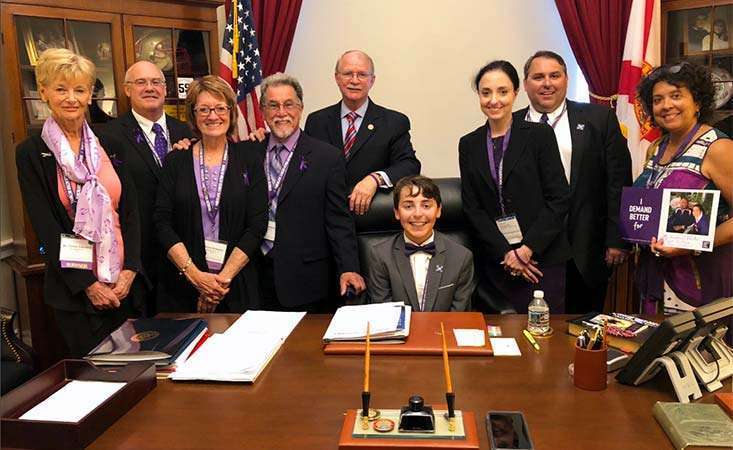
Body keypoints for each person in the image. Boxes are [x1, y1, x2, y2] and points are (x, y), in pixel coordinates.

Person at [16, 48, 143, 356]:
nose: (71, 98)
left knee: (137, 376)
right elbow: (46, 226)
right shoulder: (32, 152)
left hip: (123, 285)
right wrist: (88, 284)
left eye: (79, 89)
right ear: (44, 92)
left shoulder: (110, 144)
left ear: (90, 95)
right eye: (61, 89)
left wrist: (130, 270)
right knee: (97, 378)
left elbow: (129, 212)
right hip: (76, 292)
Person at [519, 51, 632, 314]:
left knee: (583, 326)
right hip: (531, 250)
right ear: (525, 84)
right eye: (538, 77)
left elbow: (618, 180)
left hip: (585, 247)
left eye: (554, 75)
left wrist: (617, 238)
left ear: (566, 79)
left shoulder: (598, 119)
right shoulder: (512, 125)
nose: (547, 83)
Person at [459, 60, 571, 313]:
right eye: (486, 93)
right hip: (498, 262)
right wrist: (507, 254)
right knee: (501, 342)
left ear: (516, 93)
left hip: (542, 260)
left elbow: (559, 199)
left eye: (502, 91)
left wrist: (526, 250)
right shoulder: (469, 144)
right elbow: (473, 208)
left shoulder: (539, 135)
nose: (494, 100)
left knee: (543, 341)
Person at [154, 76, 267, 313]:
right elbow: (162, 223)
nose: (213, 116)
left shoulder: (250, 160)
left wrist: (220, 281)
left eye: (220, 108)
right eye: (203, 109)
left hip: (237, 285)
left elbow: (257, 225)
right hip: (184, 285)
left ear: (231, 112)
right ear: (193, 115)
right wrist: (196, 277)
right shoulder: (176, 161)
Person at [255, 72, 365, 311]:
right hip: (256, 279)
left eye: (289, 104)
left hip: (307, 281)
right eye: (273, 105)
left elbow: (339, 219)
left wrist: (349, 267)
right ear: (262, 110)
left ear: (301, 108)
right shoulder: (248, 154)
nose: (281, 112)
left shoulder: (327, 157)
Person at [634, 61, 732, 314]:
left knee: (696, 352)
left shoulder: (718, 148)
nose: (666, 105)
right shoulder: (656, 148)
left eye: (676, 96)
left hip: (702, 279)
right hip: (657, 277)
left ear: (698, 102)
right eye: (657, 100)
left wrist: (690, 245)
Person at [100, 60, 193, 315]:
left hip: (182, 253)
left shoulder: (185, 130)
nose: (149, 88)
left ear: (165, 89)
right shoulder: (109, 136)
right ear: (127, 89)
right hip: (136, 259)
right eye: (141, 82)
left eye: (156, 82)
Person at [304, 50, 421, 215]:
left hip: (371, 218)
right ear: (337, 78)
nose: (354, 80)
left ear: (372, 80)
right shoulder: (317, 121)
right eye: (347, 74)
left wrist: (375, 179)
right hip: (324, 217)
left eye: (362, 74)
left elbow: (410, 165)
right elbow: (304, 165)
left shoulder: (394, 122)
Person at [365, 175, 475, 311]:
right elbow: (384, 314)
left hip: (442, 330)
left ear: (438, 210)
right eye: (408, 206)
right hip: (401, 332)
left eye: (426, 205)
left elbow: (459, 314)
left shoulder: (461, 257)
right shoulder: (380, 255)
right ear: (397, 212)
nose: (417, 214)